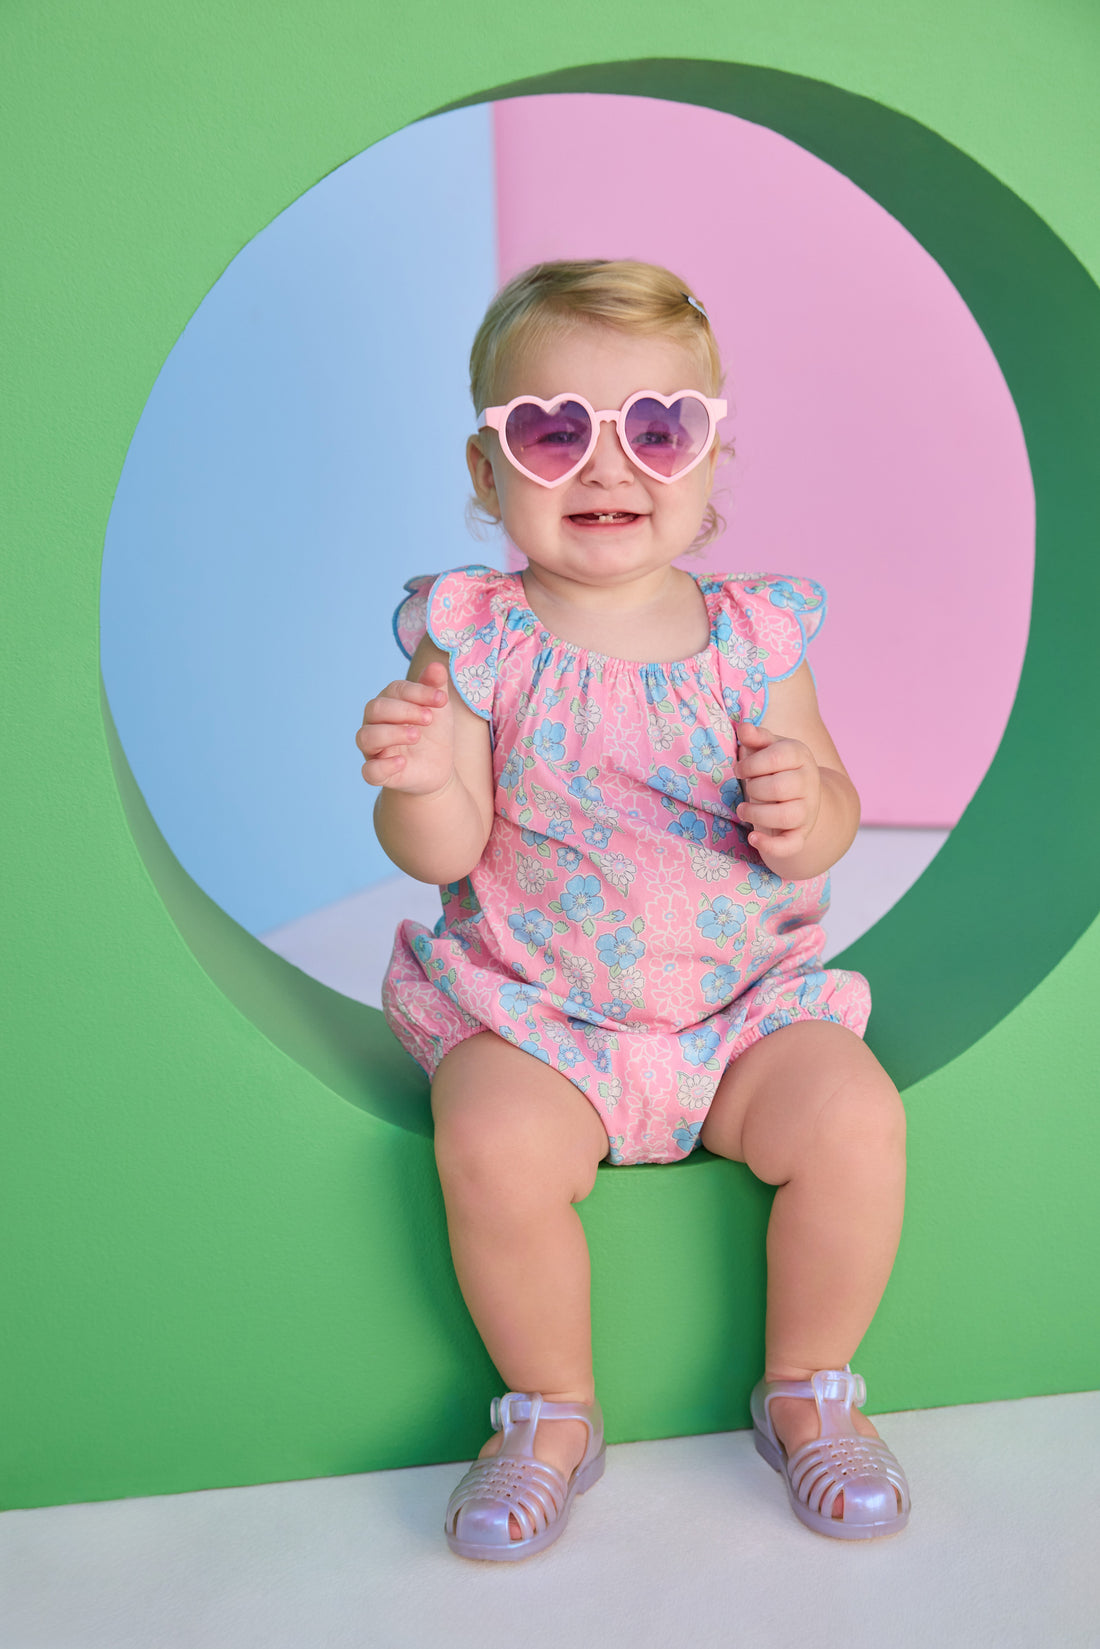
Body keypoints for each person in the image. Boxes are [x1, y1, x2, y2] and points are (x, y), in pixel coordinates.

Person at [356, 259, 910, 1559]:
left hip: (737, 1018)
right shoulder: (478, 640)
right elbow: (443, 844)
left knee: (853, 1115)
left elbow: (829, 818)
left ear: (713, 462)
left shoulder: (753, 642)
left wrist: (805, 806)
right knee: (487, 1140)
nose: (609, 469)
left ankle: (810, 1386)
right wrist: (420, 774)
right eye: (553, 434)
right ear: (491, 475)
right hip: (545, 1017)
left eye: (658, 430)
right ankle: (551, 1408)